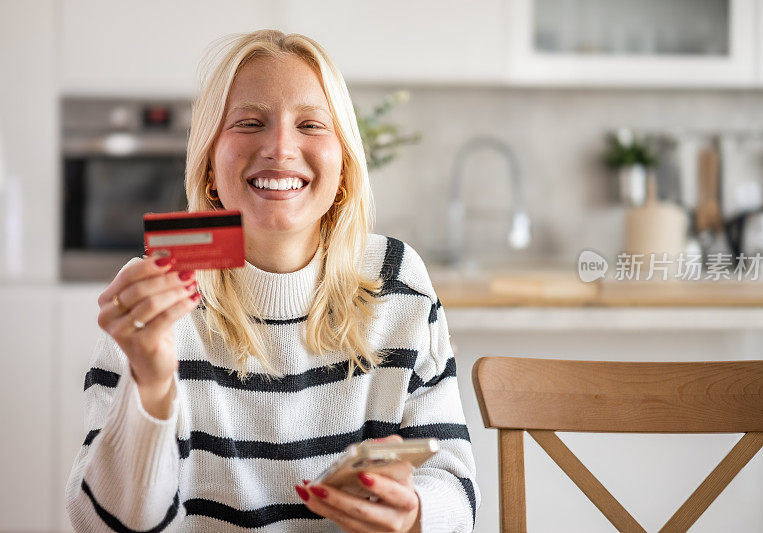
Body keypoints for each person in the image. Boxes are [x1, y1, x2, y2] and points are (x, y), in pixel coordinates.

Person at [65, 29, 479, 532]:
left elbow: (454, 487)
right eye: (249, 123)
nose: (280, 147)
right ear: (211, 166)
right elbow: (101, 526)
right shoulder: (154, 295)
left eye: (310, 124)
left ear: (344, 167)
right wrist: (149, 383)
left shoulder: (397, 281)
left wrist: (415, 513)